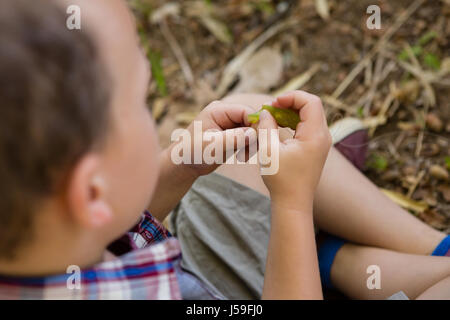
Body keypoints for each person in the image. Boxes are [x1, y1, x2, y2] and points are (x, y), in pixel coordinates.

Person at [0, 0, 448, 300]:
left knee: (250, 125)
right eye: (140, 102)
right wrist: (292, 207)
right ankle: (321, 252)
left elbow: (116, 236)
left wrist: (180, 166)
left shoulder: (47, 243)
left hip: (199, 285)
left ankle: (386, 255)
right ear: (92, 192)